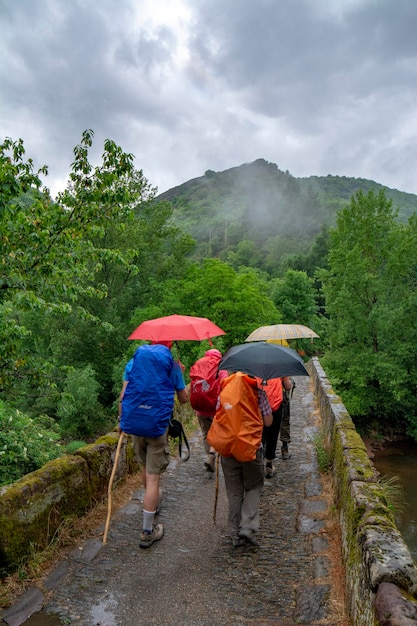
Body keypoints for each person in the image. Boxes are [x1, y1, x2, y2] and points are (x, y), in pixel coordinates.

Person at [118, 340, 188, 548]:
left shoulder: (132, 364)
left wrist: (122, 422)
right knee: (154, 477)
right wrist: (179, 375)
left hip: (135, 423)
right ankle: (148, 531)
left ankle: (152, 504)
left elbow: (124, 396)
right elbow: (183, 399)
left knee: (144, 467)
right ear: (168, 346)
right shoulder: (173, 366)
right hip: (157, 426)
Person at [215, 373, 273, 547]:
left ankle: (234, 533)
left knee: (234, 492)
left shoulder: (225, 393)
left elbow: (218, 419)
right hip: (252, 449)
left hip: (229, 449)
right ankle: (247, 525)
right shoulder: (259, 393)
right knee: (254, 486)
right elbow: (269, 422)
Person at [189, 348, 229, 472]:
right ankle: (212, 454)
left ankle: (208, 455)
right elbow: (225, 386)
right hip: (215, 408)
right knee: (217, 431)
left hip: (200, 408)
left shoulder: (199, 363)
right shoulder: (220, 367)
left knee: (206, 433)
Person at [259, 376, 293, 477]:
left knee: (259, 435)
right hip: (275, 405)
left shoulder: (253, 366)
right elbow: (287, 386)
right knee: (272, 435)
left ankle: (258, 462)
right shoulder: (279, 365)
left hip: (258, 405)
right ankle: (269, 466)